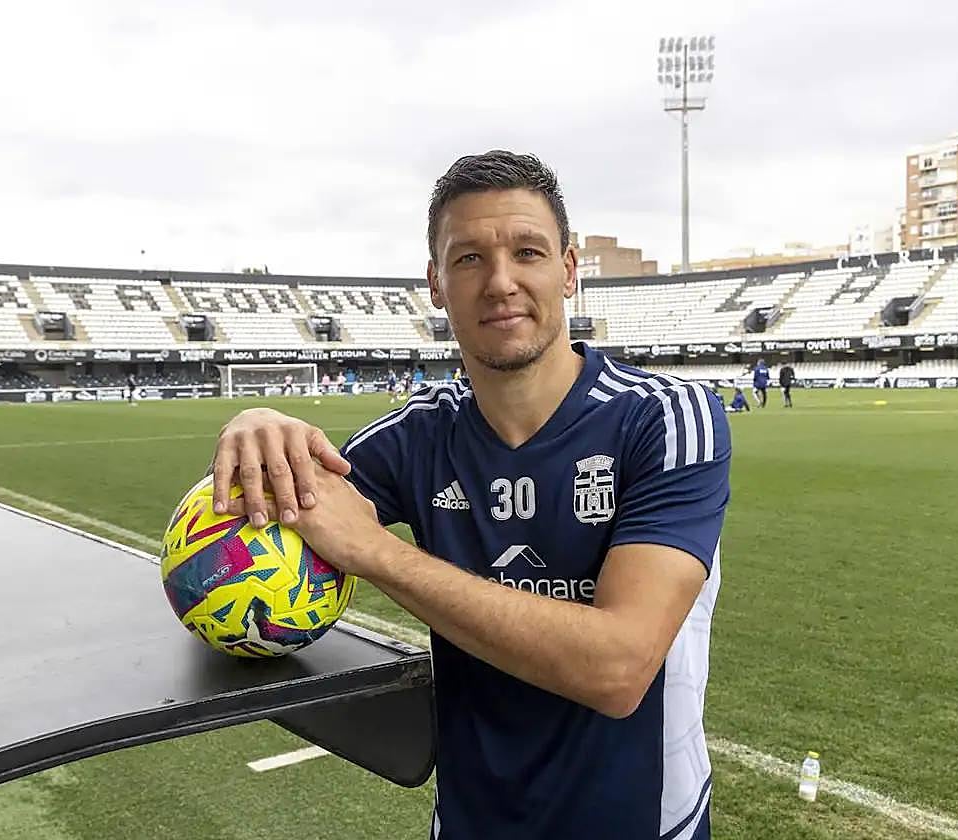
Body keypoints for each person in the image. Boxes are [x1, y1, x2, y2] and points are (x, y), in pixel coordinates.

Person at [207, 150, 730, 840]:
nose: (501, 282)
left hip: (641, 824)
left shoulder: (664, 418)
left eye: (528, 252)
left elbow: (619, 667)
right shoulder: (417, 436)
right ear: (435, 283)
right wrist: (257, 424)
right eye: (469, 259)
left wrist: (378, 556)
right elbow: (264, 519)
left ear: (569, 271)